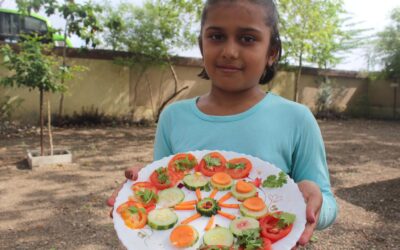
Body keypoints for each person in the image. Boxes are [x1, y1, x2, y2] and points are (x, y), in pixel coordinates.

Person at [108, 0, 338, 248]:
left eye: (247, 38)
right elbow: (167, 190)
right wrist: (141, 188)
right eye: (216, 36)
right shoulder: (173, 117)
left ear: (272, 52)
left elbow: (326, 206)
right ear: (201, 46)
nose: (229, 51)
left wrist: (313, 199)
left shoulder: (297, 119)